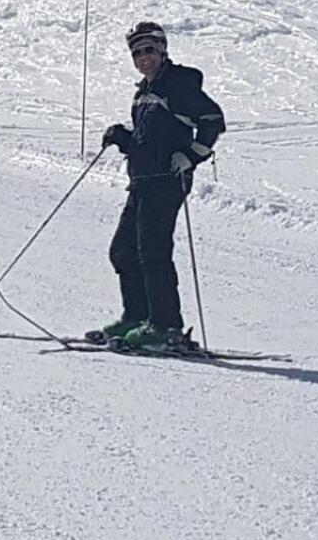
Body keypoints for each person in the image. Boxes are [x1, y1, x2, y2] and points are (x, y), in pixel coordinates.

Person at [88, 21, 225, 350]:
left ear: (162, 50)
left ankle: (166, 327)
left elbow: (212, 119)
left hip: (166, 181)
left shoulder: (178, 84)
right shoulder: (143, 94)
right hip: (142, 181)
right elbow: (145, 141)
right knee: (123, 250)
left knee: (152, 251)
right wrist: (121, 137)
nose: (143, 57)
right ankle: (137, 318)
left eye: (149, 50)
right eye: (137, 52)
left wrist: (192, 155)